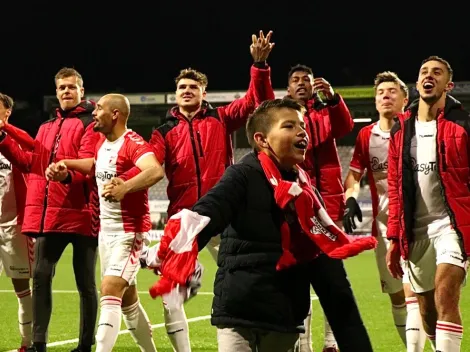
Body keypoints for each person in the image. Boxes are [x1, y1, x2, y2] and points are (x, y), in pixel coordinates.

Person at [147, 98, 375, 352]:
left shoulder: (307, 194)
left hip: (284, 317)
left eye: (303, 125)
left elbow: (331, 280)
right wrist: (171, 250)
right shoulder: (242, 175)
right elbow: (208, 213)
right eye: (289, 126)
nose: (302, 131)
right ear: (262, 140)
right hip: (239, 315)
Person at [147, 30, 274, 351]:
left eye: (193, 87)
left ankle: (260, 335)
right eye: (182, 87)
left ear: (204, 93)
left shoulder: (221, 118)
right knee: (171, 294)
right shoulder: (163, 132)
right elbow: (148, 166)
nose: (187, 91)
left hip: (226, 214)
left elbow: (255, 103)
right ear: (175, 94)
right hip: (186, 218)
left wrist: (259, 66)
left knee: (243, 278)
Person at [46, 94, 164, 352]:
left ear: (115, 115)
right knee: (128, 301)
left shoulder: (132, 142)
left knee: (109, 290)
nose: (94, 112)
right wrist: (65, 164)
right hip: (106, 233)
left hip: (128, 232)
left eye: (99, 108)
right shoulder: (102, 141)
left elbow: (155, 170)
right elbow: (92, 165)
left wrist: (126, 188)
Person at [0, 68, 99, 352]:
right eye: (61, 88)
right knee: (41, 277)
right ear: (56, 92)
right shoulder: (45, 127)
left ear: (81, 90)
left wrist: (66, 175)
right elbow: (30, 162)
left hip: (81, 213)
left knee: (85, 284)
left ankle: (83, 345)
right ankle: (39, 344)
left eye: (71, 87)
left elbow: (88, 163)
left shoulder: (90, 124)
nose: (66, 91)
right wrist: (4, 140)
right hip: (50, 215)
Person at [267, 64, 354, 352]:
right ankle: (303, 344)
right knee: (298, 278)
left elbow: (345, 127)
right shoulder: (280, 116)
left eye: (307, 79)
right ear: (288, 88)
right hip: (294, 206)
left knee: (331, 278)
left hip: (328, 204)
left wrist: (333, 100)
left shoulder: (326, 110)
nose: (302, 83)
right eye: (295, 80)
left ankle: (331, 343)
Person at [387, 56, 470, 352]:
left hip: (451, 225)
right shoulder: (401, 130)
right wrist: (395, 239)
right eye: (424, 71)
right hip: (415, 232)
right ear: (418, 82)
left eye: (437, 72)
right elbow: (396, 187)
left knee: (446, 294)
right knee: (427, 311)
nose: (429, 75)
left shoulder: (462, 124)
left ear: (449, 84)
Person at [343, 71, 427, 351]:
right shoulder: (366, 135)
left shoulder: (417, 128)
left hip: (419, 222)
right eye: (380, 93)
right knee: (397, 297)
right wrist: (351, 198)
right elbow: (354, 176)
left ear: (405, 98)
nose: (385, 96)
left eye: (392, 91)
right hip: (383, 227)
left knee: (418, 292)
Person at [0, 93, 34, 352]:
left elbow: (30, 161)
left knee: (21, 288)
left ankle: (28, 343)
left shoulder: (17, 141)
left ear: (7, 112)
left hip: (14, 226)